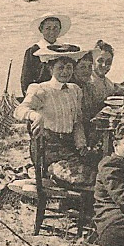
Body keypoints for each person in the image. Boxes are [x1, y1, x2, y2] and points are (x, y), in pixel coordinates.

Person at [14, 49, 89, 181]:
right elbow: (19, 110)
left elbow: (77, 120)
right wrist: (36, 116)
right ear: (50, 69)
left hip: (69, 144)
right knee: (77, 177)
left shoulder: (75, 90)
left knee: (92, 169)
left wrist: (81, 142)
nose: (65, 72)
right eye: (60, 68)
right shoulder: (41, 89)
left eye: (69, 67)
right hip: (48, 147)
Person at [20, 12, 73, 95]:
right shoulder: (33, 51)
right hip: (41, 93)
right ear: (41, 30)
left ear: (60, 29)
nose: (52, 32)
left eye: (55, 28)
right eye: (48, 28)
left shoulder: (64, 49)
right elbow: (25, 80)